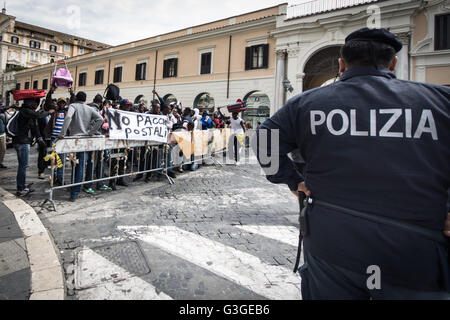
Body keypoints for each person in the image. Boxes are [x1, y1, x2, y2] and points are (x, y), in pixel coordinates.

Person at [252, 28, 450, 299]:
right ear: (392, 63)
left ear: (342, 64)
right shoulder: (439, 101)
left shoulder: (307, 103)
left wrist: (292, 180)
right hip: (415, 249)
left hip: (332, 242)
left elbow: (263, 139)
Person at [58, 92, 103, 201]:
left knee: (76, 165)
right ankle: (75, 189)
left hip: (75, 140)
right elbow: (100, 119)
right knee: (80, 165)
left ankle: (74, 191)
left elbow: (68, 117)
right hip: (85, 139)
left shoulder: (73, 106)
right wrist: (91, 131)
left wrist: (62, 133)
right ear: (85, 99)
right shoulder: (89, 108)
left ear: (76, 98)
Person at [13, 98, 54, 196]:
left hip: (22, 141)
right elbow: (38, 115)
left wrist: (39, 139)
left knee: (23, 165)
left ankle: (22, 186)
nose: (36, 106)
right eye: (35, 104)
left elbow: (34, 127)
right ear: (31, 103)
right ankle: (21, 188)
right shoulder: (26, 111)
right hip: (22, 142)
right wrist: (48, 112)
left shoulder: (24, 111)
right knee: (23, 166)